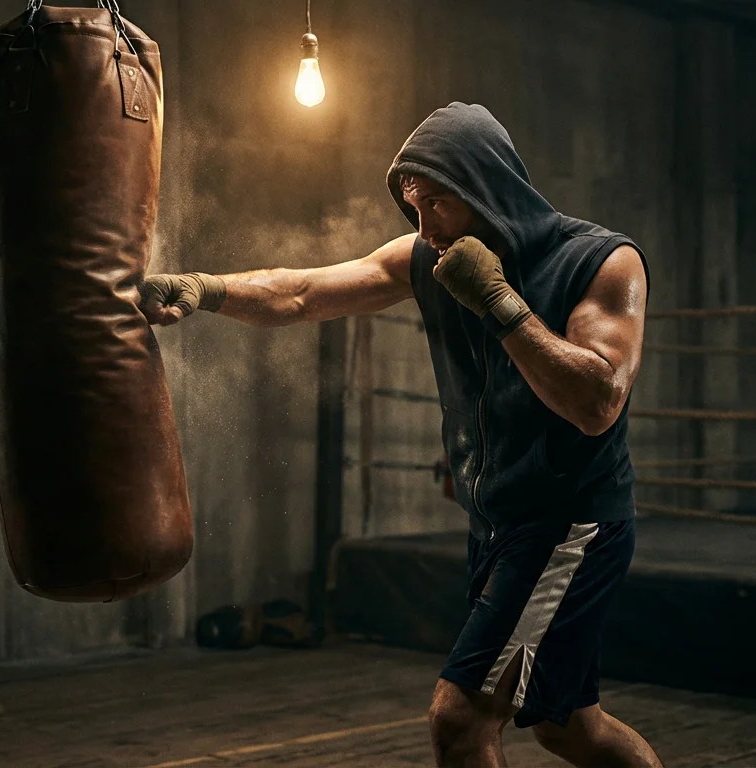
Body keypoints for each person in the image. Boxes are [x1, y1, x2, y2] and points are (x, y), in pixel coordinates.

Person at [139, 102, 662, 768]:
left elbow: (598, 401)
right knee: (569, 728)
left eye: (440, 203)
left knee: (461, 719)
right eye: (414, 208)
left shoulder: (600, 261)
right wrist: (205, 287)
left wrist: (501, 306)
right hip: (497, 526)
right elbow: (302, 292)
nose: (426, 225)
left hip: (568, 526)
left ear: (488, 186)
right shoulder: (427, 257)